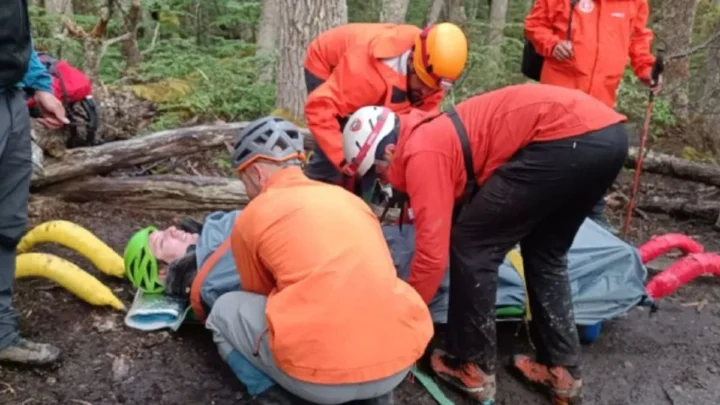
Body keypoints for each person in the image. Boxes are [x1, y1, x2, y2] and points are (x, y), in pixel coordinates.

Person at [342, 84, 631, 405]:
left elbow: (432, 256)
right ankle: (561, 371)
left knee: (472, 246)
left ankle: (471, 366)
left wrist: (405, 318)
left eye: (377, 171)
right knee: (545, 252)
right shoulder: (430, 134)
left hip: (565, 138)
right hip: (607, 137)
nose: (381, 180)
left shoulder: (422, 150)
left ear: (387, 151)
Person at [183, 116, 433, 405]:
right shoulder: (349, 201)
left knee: (223, 312)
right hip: (397, 363)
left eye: (244, 181)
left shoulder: (255, 214)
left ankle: (278, 397)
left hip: (319, 381)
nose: (247, 191)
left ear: (257, 173)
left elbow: (258, 293)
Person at [524, 0, 661, 232]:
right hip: (560, 91)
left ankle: (591, 215)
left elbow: (638, 38)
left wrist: (646, 70)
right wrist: (552, 44)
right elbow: (534, 25)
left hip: (602, 96)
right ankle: (533, 218)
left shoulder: (634, 2)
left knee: (595, 156)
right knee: (553, 157)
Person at [303, 22, 468, 192]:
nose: (426, 92)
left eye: (433, 88)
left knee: (378, 142)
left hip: (377, 79)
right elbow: (319, 109)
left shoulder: (435, 73)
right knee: (338, 149)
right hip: (328, 63)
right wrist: (344, 159)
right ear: (412, 63)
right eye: (423, 83)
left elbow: (419, 125)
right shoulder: (363, 73)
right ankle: (316, 190)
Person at [0, 0, 69, 366]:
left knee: (7, 224)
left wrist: (40, 85)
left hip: (10, 98)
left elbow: (17, 32)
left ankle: (2, 334)